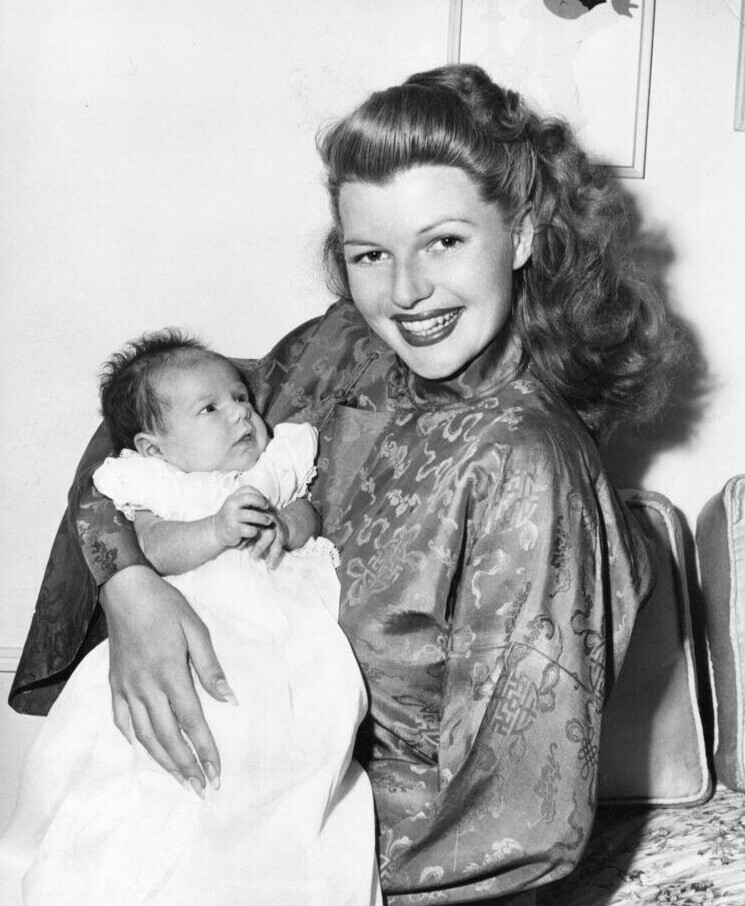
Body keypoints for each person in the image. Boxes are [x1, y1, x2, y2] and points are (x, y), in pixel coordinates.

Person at [9, 64, 681, 904]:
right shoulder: (340, 348)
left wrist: (266, 863)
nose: (406, 292)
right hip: (202, 812)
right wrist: (131, 586)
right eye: (371, 254)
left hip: (342, 867)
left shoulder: (528, 466)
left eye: (443, 241)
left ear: (520, 236)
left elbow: (510, 828)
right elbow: (134, 449)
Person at [0, 332, 381, 906]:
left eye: (241, 398)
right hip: (184, 635)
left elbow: (307, 511)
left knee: (292, 747)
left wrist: (286, 526)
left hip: (282, 637)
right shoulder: (159, 486)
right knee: (139, 766)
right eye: (210, 409)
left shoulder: (274, 467)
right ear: (154, 449)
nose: (241, 414)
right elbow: (152, 548)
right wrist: (216, 529)